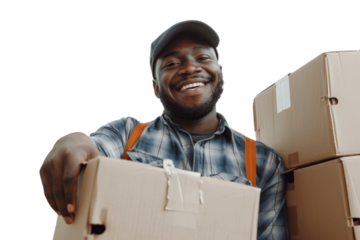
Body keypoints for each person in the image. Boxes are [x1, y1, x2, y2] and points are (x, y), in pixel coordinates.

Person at [39, 18, 290, 239]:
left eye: (203, 57)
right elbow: (89, 148)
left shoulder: (263, 162)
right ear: (155, 88)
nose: (191, 68)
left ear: (220, 72)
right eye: (171, 63)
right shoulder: (127, 134)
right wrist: (70, 140)